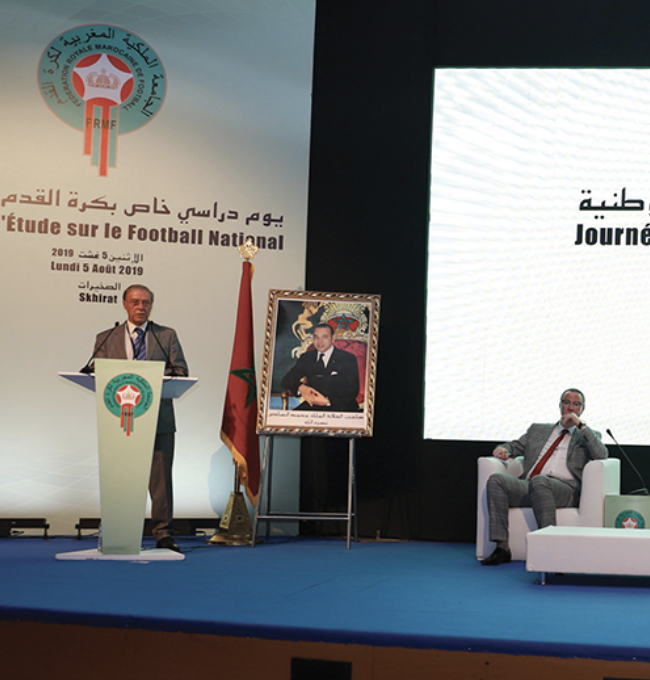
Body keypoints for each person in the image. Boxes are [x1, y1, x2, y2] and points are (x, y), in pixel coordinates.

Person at [91, 284, 188, 551]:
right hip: (118, 422)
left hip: (159, 420)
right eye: (135, 302)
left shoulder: (165, 336)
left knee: (161, 481)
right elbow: (97, 372)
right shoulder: (106, 337)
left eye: (146, 302)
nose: (141, 307)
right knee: (120, 479)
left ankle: (163, 534)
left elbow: (181, 371)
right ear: (124, 304)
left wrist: (150, 375)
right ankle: (119, 531)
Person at [481, 388, 608, 566]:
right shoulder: (538, 430)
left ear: (582, 409)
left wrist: (580, 425)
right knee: (497, 480)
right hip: (530, 484)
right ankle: (502, 548)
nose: (570, 407)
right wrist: (503, 450)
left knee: (540, 481)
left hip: (565, 489)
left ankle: (550, 549)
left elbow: (601, 455)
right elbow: (515, 446)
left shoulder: (587, 435)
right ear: (560, 405)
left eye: (576, 404)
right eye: (566, 402)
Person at [281, 323, 360, 412]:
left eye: (324, 337)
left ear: (333, 338)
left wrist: (327, 401)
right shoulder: (307, 358)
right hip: (313, 406)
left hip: (341, 406)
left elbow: (353, 390)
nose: (319, 341)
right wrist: (301, 387)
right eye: (316, 337)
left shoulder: (347, 358)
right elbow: (287, 379)